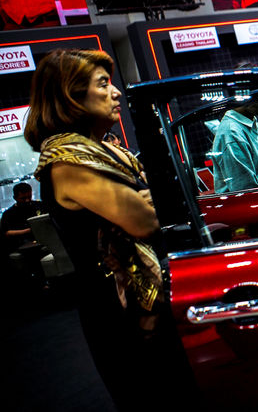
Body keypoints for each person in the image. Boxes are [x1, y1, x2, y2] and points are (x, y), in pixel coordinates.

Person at [24, 48, 197, 411]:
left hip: (152, 300)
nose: (115, 92)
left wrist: (153, 198)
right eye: (103, 84)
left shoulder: (109, 150)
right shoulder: (66, 161)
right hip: (121, 317)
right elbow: (145, 221)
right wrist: (152, 198)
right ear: (71, 96)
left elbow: (171, 200)